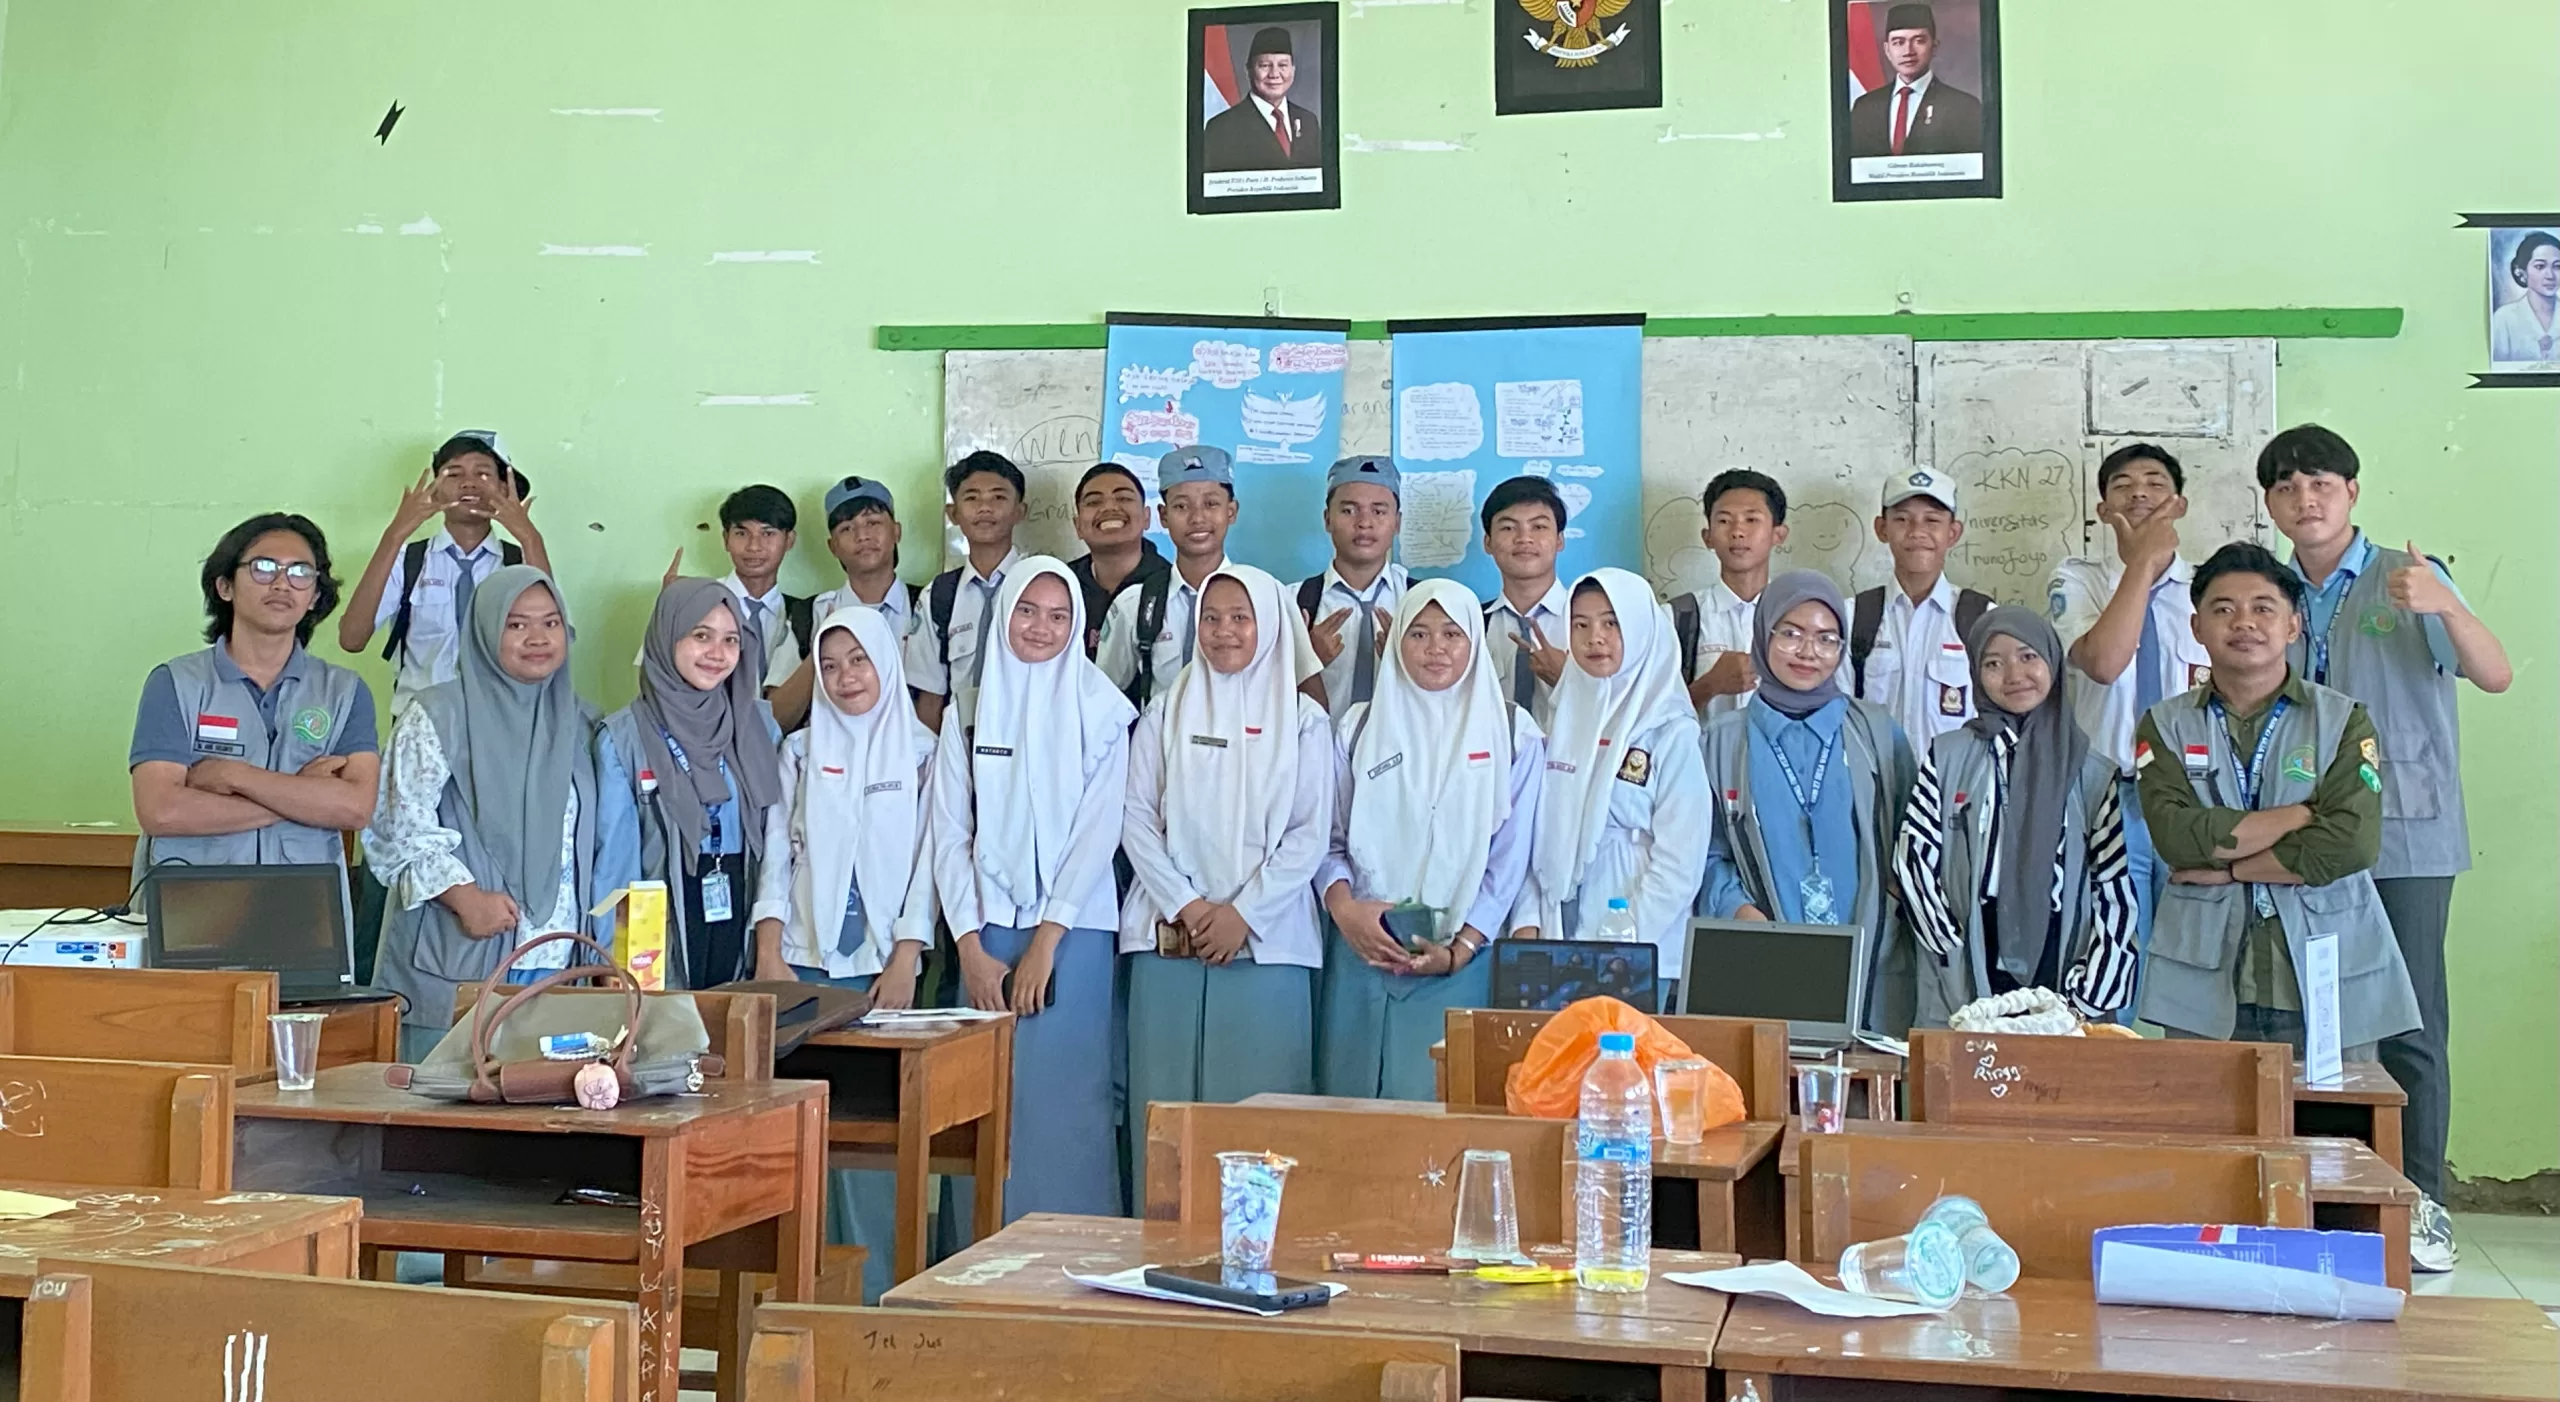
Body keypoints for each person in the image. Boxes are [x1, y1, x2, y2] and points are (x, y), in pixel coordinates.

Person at [2258, 423, 2512, 1271]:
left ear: (2352, 492)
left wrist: (2447, 604)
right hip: (2304, 833)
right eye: (2287, 487)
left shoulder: (2409, 577)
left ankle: (2424, 1205)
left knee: (2410, 1024)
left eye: (2321, 483)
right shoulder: (2269, 594)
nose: (2306, 499)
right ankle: (2329, 1197)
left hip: (2409, 832)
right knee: (2314, 1023)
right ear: (2271, 503)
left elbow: (2495, 673)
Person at [2131, 543, 2421, 1079]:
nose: (2244, 622)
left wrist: (2232, 869)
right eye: (2223, 609)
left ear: (2292, 627)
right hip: (2205, 980)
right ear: (2197, 628)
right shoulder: (2164, 725)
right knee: (2207, 1124)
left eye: (2263, 608)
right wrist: (2299, 815)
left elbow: (2350, 844)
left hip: (2325, 971)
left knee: (2334, 1128)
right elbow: (2176, 838)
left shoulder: (2343, 720)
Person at [932, 558, 1133, 1222]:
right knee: (984, 1108)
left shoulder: (1102, 710)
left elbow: (1098, 832)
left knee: (1067, 1104)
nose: (1041, 628)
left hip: (1074, 933)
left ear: (1077, 626)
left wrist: (1047, 942)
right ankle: (976, 1262)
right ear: (1004, 614)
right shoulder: (967, 707)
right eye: (1026, 611)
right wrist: (969, 948)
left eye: (1058, 616)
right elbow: (949, 833)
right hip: (985, 935)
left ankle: (1072, 1263)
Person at [748, 605, 937, 1303]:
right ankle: (805, 1299)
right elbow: (776, 856)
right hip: (805, 965)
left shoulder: (922, 751)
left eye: (858, 661)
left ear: (886, 660)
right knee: (803, 1146)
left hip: (879, 974)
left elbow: (931, 862)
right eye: (829, 666)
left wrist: (906, 954)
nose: (845, 677)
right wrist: (771, 952)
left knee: (874, 1151)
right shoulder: (799, 751)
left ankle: (880, 1298)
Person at [1120, 566, 1331, 1189]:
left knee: (1259, 1132)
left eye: (1241, 618)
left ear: (1271, 627)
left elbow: (1309, 834)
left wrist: (1243, 913)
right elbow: (1134, 817)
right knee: (1166, 1128)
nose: (1224, 631)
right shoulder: (1166, 709)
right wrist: (1187, 905)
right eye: (1210, 618)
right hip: (1168, 943)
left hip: (1269, 949)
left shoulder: (1304, 720)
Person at [1317, 580, 1546, 1100]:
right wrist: (1346, 912)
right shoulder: (1358, 726)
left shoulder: (1514, 733)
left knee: (1440, 1108)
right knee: (1350, 1112)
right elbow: (1328, 840)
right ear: (1396, 640)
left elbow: (1509, 860)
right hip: (1361, 953)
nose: (1435, 648)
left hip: (1462, 963)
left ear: (1475, 642)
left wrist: (1460, 949)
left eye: (1451, 634)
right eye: (1418, 633)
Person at [367, 566, 599, 1061]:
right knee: (442, 1095)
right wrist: (465, 898)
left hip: (558, 957)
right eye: (516, 624)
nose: (537, 638)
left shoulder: (583, 723)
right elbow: (395, 826)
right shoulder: (438, 714)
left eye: (551, 623)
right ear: (485, 630)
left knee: (542, 1098)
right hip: (462, 952)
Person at [1892, 607, 2139, 1028]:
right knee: (1968, 1065)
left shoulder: (2091, 772)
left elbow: (2114, 889)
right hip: (1971, 946)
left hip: (2062, 956)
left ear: (2052, 663)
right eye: (1993, 663)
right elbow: (1914, 857)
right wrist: (1950, 950)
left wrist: (2086, 998)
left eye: (2028, 657)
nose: (2014, 675)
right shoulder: (1948, 756)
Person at [1699, 571, 1918, 1034]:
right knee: (1770, 1068)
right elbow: (1707, 852)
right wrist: (1738, 910)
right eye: (1791, 634)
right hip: (1765, 947)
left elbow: (1910, 834)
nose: (1808, 652)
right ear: (1763, 635)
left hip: (1871, 951)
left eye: (1826, 638)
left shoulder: (1876, 732)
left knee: (1867, 1070)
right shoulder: (1722, 741)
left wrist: (1892, 899)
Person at [130, 514, 380, 877]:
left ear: (314, 596)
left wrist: (230, 775)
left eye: (300, 572)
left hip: (307, 901)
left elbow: (355, 808)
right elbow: (161, 810)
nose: (282, 583)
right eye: (263, 568)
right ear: (225, 586)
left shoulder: (345, 691)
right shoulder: (175, 683)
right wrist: (304, 796)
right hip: (194, 898)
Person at [1514, 569, 1709, 1005]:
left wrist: (1621, 942)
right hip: (1558, 942)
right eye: (1580, 625)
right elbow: (1536, 831)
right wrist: (1528, 921)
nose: (1594, 638)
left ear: (1640, 630)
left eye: (1611, 623)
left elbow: (1681, 863)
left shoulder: (1670, 731)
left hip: (1637, 950)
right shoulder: (1565, 715)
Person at [2048, 443, 2205, 950]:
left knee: (2189, 947)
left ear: (2179, 504)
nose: (2140, 494)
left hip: (2194, 794)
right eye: (2123, 486)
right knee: (2118, 946)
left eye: (2155, 484)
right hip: (2109, 793)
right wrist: (2142, 561)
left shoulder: (2209, 588)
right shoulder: (2077, 579)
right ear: (2102, 510)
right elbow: (2103, 662)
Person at [595, 579, 785, 990]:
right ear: (668, 636)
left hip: (742, 907)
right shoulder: (624, 738)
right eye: (701, 636)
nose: (717, 653)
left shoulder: (759, 727)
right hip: (659, 918)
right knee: (669, 1027)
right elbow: (615, 861)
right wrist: (614, 958)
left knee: (738, 1023)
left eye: (731, 640)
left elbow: (777, 840)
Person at [338, 432, 549, 711]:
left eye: (483, 473)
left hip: (504, 716)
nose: (468, 482)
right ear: (435, 490)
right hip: (420, 719)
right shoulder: (407, 560)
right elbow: (352, 639)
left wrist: (530, 538)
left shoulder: (521, 562)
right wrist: (394, 534)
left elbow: (550, 644)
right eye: (454, 473)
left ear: (504, 488)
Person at [1100, 446, 1303, 712]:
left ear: (1231, 511)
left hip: (1246, 737)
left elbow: (1298, 693)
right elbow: (1101, 699)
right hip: (1160, 737)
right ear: (1163, 515)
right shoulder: (1135, 604)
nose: (1197, 518)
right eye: (1181, 506)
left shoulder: (1268, 598)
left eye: (1211, 504)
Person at [1849, 467, 1993, 746]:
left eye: (1932, 520)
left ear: (1953, 533)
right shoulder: (1853, 616)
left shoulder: (1982, 616)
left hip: (1956, 774)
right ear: (1882, 529)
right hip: (1875, 772)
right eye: (1902, 519)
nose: (1917, 532)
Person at [769, 477, 920, 732]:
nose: (862, 536)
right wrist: (822, 650)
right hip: (827, 753)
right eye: (847, 529)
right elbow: (774, 720)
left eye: (873, 523)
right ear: (832, 546)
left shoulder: (927, 605)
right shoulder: (810, 614)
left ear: (896, 531)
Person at [907, 451, 1028, 733]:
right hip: (958, 743)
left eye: (999, 497)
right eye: (972, 498)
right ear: (953, 514)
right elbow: (930, 696)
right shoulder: (937, 596)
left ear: (1020, 511)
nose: (985, 508)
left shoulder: (1041, 587)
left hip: (1026, 740)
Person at [1296, 455, 1408, 722]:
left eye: (1379, 511)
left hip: (1402, 748)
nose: (1364, 523)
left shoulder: (1421, 604)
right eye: (1348, 510)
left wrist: (1408, 663)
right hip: (1315, 746)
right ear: (1327, 519)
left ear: (1397, 522)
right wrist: (1303, 662)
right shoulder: (1294, 603)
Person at [1671, 470, 1790, 719]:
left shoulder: (1798, 615)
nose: (1737, 531)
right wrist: (1710, 684)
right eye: (1724, 521)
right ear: (1708, 537)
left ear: (1778, 535)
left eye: (1751, 519)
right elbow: (1652, 717)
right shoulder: (1676, 618)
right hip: (1702, 745)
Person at [1479, 476, 1570, 726]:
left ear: (1560, 540)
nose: (1524, 538)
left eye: (1538, 527)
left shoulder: (1590, 623)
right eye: (1508, 528)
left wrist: (1569, 681)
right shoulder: (1470, 625)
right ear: (1488, 542)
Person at [1847, 3, 1983, 158]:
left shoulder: (1963, 107)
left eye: (1919, 41)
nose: (1908, 51)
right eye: (1898, 42)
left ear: (1934, 47)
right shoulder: (1864, 107)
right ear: (1887, 50)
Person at [1066, 462, 1171, 659]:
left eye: (1123, 498)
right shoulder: (1061, 586)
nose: (1110, 507)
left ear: (1146, 517)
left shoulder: (1172, 587)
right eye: (1094, 502)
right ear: (1078, 526)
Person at [1201, 26, 1323, 172]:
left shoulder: (1309, 122)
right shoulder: (1221, 128)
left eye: (1283, 65)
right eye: (1265, 65)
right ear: (1249, 70)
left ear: (1293, 70)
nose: (1274, 74)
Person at [2489, 231, 2560, 366]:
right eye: (2540, 266)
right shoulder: (2504, 319)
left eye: (2557, 267)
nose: (2550, 275)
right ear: (2521, 272)